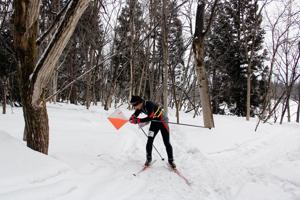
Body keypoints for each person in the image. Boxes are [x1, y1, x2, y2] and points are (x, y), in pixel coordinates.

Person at [129, 95, 176, 169]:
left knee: (166, 142)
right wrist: (132, 117)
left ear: (140, 102)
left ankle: (171, 161)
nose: (134, 107)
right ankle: (148, 159)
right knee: (149, 141)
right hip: (154, 123)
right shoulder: (140, 107)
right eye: (133, 105)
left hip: (163, 122)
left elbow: (150, 117)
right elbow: (135, 114)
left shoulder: (149, 104)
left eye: (135, 105)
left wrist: (138, 120)